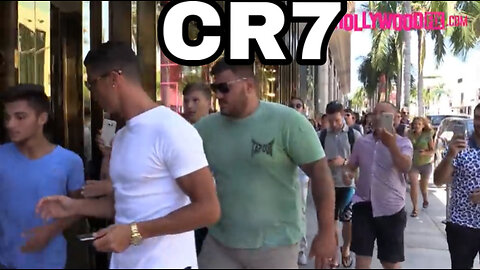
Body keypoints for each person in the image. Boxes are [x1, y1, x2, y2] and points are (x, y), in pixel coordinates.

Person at [36, 42, 221, 269]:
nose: (91, 93)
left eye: (91, 83)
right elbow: (124, 205)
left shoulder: (171, 129)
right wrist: (73, 207)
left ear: (114, 78)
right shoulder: (122, 137)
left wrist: (134, 232)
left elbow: (208, 209)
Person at [195, 58, 336, 269]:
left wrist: (326, 232)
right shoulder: (205, 129)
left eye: (224, 88)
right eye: (215, 88)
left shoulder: (288, 121)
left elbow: (320, 172)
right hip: (220, 245)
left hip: (276, 247)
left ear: (249, 86)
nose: (218, 95)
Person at [0, 84, 84, 269]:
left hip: (51, 262)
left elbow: (79, 209)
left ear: (42, 118)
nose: (10, 124)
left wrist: (50, 231)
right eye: (8, 117)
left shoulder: (70, 162)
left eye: (20, 117)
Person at [344, 102, 413, 269]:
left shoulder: (404, 143)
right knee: (362, 261)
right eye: (375, 113)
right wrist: (348, 174)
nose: (378, 117)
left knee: (390, 262)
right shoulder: (362, 142)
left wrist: (391, 145)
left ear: (396, 118)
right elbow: (351, 166)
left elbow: (405, 167)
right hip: (363, 205)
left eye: (384, 114)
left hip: (391, 209)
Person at [434, 103, 480, 269]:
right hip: (462, 225)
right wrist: (450, 156)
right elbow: (438, 180)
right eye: (477, 118)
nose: (479, 123)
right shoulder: (460, 146)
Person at [319, 101, 362, 268]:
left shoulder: (354, 135)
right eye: (330, 121)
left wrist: (344, 162)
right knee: (332, 221)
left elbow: (360, 160)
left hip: (348, 185)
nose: (334, 124)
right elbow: (316, 159)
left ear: (343, 116)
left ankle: (347, 247)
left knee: (347, 220)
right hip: (329, 185)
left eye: (337, 120)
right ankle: (335, 254)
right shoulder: (322, 135)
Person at [182, 82, 213, 255]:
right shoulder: (179, 131)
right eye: (186, 101)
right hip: (189, 208)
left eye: (195, 100)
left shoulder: (221, 130)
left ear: (209, 102)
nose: (190, 106)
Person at [289, 97, 312, 265]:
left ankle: (301, 249)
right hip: (282, 177)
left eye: (298, 105)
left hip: (301, 176)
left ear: (303, 108)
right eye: (292, 106)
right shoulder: (280, 125)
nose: (295, 108)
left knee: (300, 213)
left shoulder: (307, 128)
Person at [407, 117, 435, 217]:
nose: (416, 126)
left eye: (419, 124)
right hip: (413, 163)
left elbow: (433, 150)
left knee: (423, 186)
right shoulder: (409, 135)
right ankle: (415, 208)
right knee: (414, 185)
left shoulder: (427, 135)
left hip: (425, 164)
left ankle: (425, 198)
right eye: (415, 124)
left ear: (423, 125)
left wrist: (425, 152)